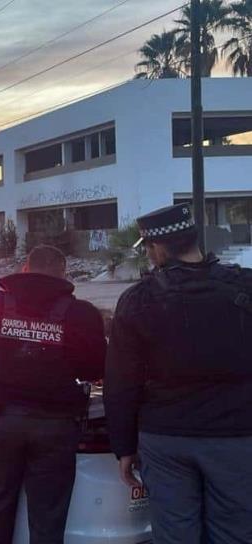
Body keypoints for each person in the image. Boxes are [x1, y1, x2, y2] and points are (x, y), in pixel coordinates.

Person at [105, 203, 252, 543]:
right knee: (236, 533)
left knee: (174, 535)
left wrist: (124, 447)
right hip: (237, 436)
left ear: (157, 248)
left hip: (167, 439)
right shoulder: (244, 287)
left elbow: (121, 382)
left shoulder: (137, 300)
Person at [0, 245, 106, 544]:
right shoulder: (82, 313)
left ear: (25, 268)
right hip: (56, 427)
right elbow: (96, 369)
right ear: (63, 274)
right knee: (47, 518)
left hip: (1, 421)